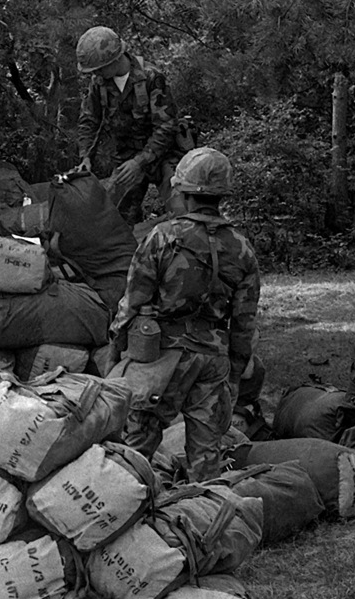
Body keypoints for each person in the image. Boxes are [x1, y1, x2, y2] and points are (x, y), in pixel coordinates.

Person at [109, 148, 259, 480]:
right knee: (206, 455)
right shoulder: (242, 248)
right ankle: (203, 513)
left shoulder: (162, 237)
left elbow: (132, 302)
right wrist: (233, 373)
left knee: (136, 448)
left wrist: (115, 348)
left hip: (162, 357)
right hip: (213, 359)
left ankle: (134, 516)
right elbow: (244, 323)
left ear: (183, 190)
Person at [74, 25, 193, 224]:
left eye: (100, 68)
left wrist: (139, 162)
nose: (97, 74)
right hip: (126, 155)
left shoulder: (152, 77)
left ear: (115, 59)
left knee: (182, 211)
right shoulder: (99, 83)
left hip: (164, 153)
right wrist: (85, 157)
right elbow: (89, 120)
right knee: (117, 219)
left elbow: (166, 127)